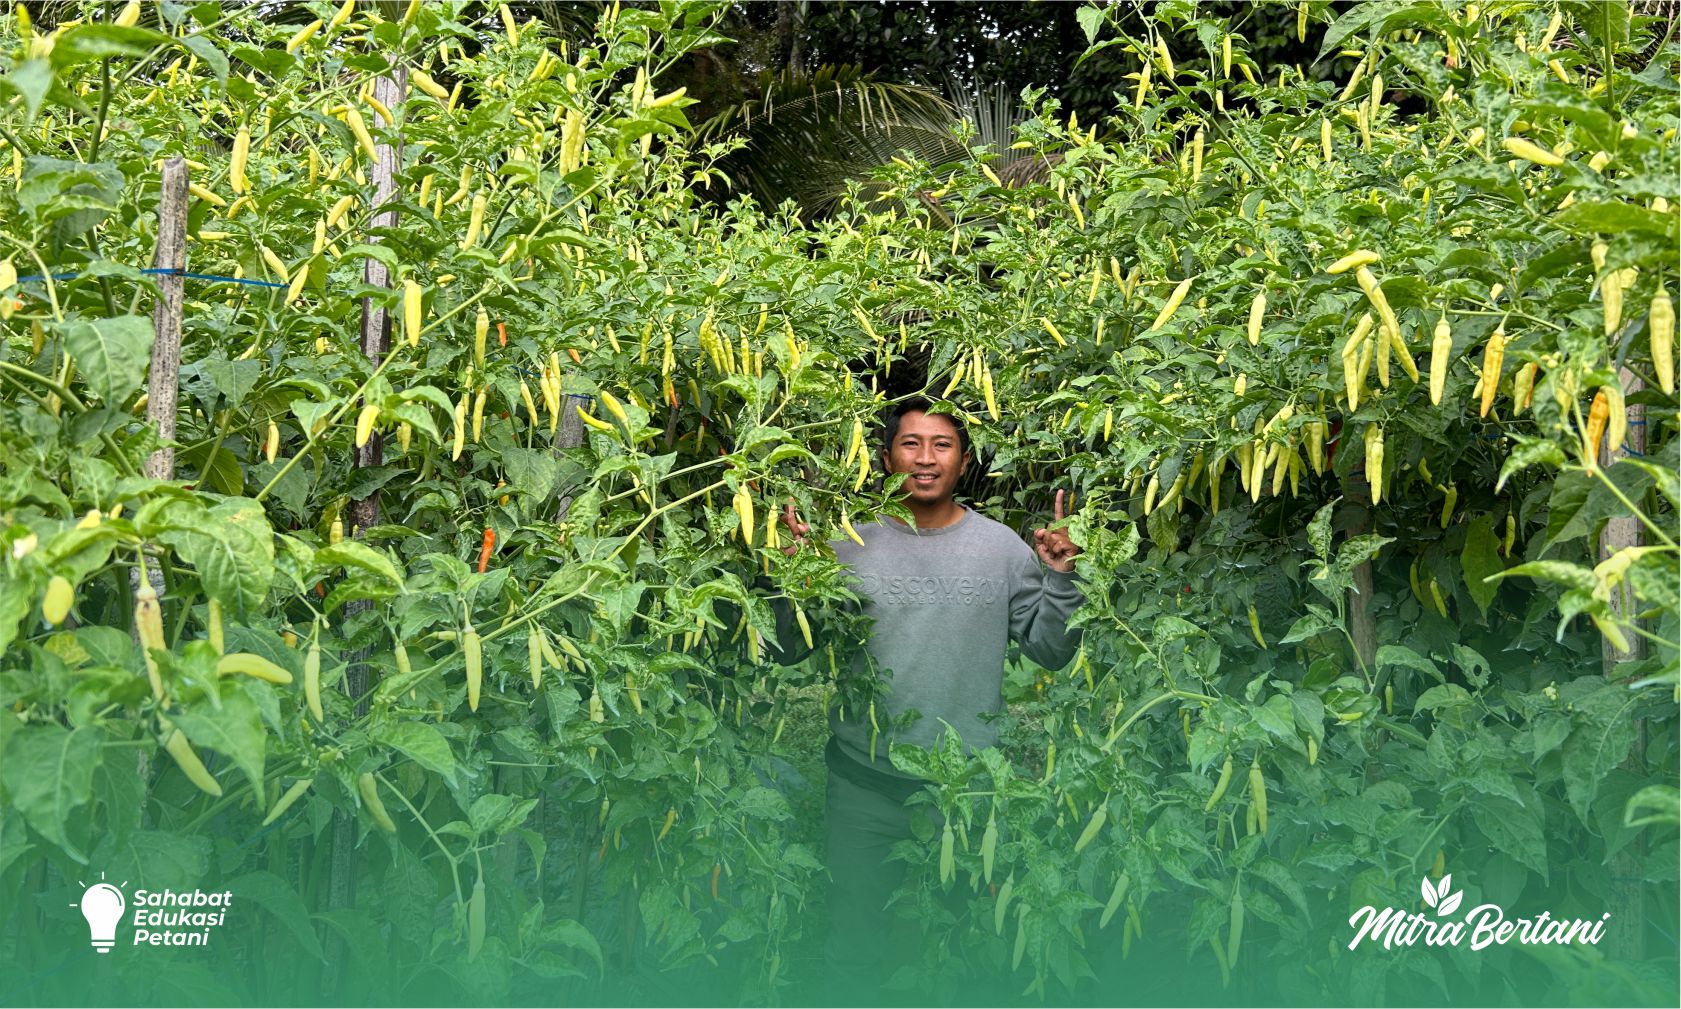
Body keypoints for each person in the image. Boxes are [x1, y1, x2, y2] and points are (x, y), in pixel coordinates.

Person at [772, 397, 1084, 996]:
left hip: (961, 792)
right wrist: (791, 580)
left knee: (951, 949)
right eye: (910, 444)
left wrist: (1062, 580)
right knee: (856, 948)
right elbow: (789, 652)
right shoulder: (846, 546)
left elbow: (1050, 650)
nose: (925, 458)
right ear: (887, 458)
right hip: (864, 785)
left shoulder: (1001, 550)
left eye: (941, 445)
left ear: (963, 462)